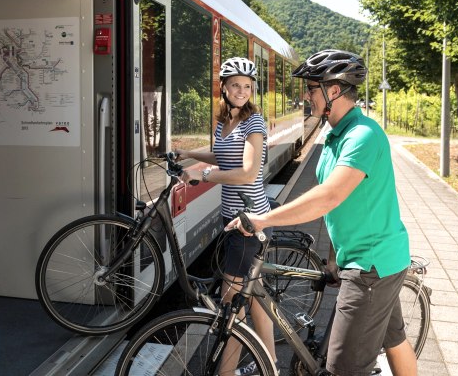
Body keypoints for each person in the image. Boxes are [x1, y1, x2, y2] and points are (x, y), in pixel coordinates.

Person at [226, 49, 417, 376]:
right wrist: (332, 257)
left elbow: (328, 196)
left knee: (340, 367)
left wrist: (264, 218)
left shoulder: (363, 136)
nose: (306, 95)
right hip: (366, 258)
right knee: (394, 339)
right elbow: (338, 208)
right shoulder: (334, 136)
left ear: (334, 90)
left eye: (312, 88)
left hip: (371, 266)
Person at [174, 56, 277, 376]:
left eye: (247, 86)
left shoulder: (253, 123)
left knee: (232, 304)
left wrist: (202, 175)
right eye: (236, 85)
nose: (242, 91)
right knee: (255, 297)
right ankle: (271, 364)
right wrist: (190, 154)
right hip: (231, 220)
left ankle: (225, 372)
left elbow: (247, 173)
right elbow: (221, 154)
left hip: (250, 222)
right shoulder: (225, 121)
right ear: (223, 87)